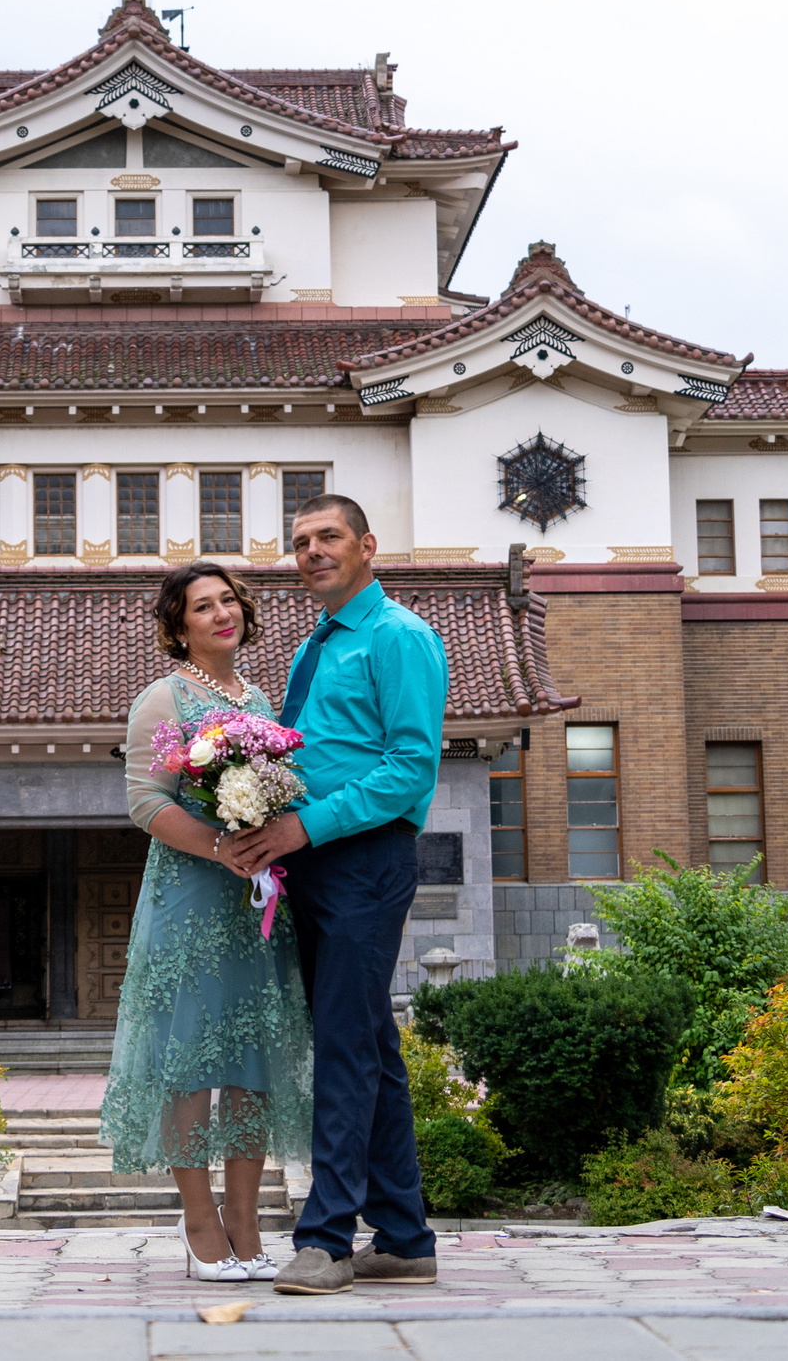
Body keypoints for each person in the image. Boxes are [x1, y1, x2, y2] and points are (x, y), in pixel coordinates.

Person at [227, 492, 448, 1296]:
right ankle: (406, 1235)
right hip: (310, 862)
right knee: (371, 1046)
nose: (312, 550)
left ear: (367, 546)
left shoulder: (400, 637)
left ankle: (325, 1238)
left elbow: (408, 770)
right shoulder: (314, 646)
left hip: (363, 859)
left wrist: (305, 827)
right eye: (300, 541)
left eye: (328, 537)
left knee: (345, 1046)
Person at [100, 560, 317, 1283]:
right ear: (179, 623)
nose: (222, 612)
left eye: (230, 600)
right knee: (190, 1063)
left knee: (253, 1062)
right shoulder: (161, 698)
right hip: (189, 897)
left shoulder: (259, 698)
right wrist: (222, 846)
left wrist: (265, 827)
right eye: (203, 605)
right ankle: (199, 1224)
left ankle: (248, 1222)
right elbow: (145, 802)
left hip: (253, 902)